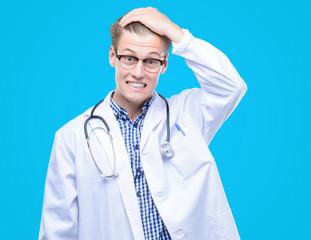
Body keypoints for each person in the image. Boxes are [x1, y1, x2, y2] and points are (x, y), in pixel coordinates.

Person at [39, 7, 247, 240]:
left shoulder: (186, 114)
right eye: (129, 58)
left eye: (150, 61)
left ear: (164, 63)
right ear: (112, 56)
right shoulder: (71, 137)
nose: (138, 72)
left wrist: (175, 33)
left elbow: (231, 86)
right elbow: (58, 230)